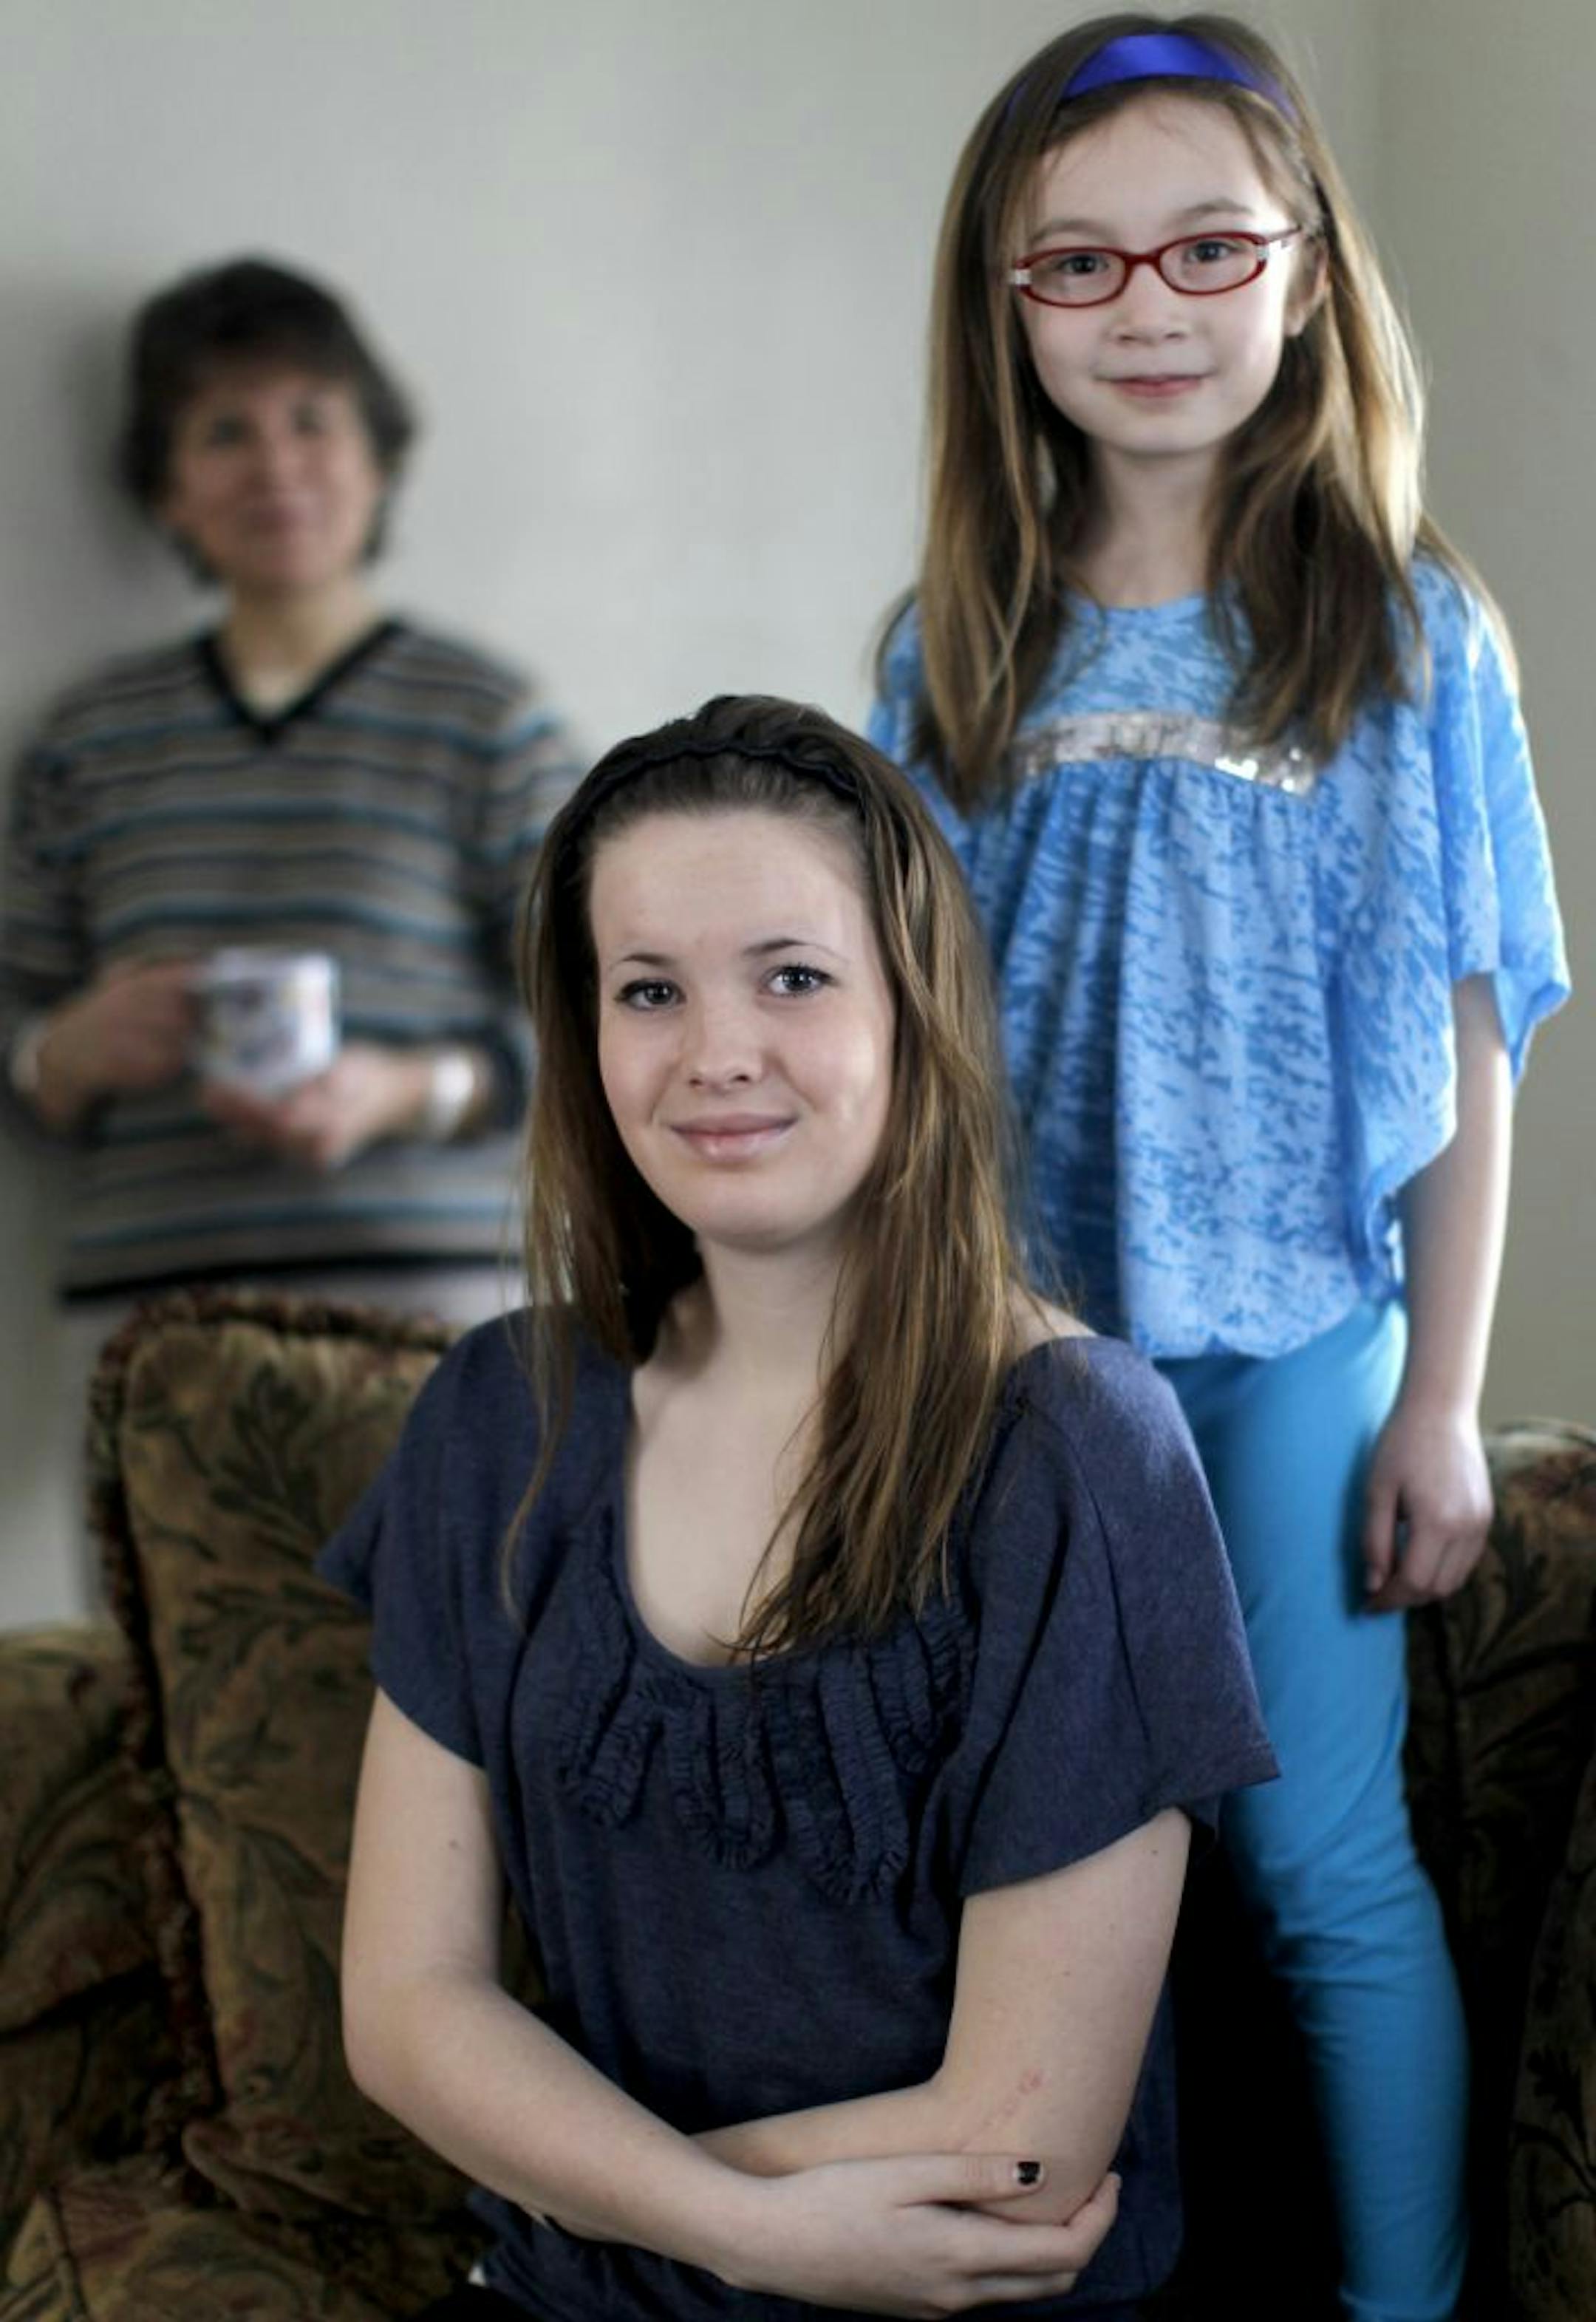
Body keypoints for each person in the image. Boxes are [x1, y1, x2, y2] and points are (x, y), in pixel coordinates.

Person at [867, 16, 1569, 2321]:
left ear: (1301, 275)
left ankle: (1403, 2304)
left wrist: (1443, 1395)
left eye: (1202, 248)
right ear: (1002, 307)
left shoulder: (1402, 623)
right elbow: (895, 1045)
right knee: (1059, 1861)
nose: (1147, 305)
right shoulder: (948, 646)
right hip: (1031, 1371)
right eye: (1075, 264)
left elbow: (1474, 1043)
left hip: (1302, 1346)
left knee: (1322, 1863)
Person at [317, 693, 1278, 2320]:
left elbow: (1022, 2144)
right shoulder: (500, 1411)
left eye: (792, 975)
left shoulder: (1074, 1447)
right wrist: (724, 2222)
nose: (717, 1054)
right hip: (595, 2282)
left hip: (948, 2295)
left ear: (917, 1009)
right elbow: (408, 1999)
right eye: (648, 990)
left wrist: (590, 2186)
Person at [0, 256, 579, 1592]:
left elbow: (609, 1012)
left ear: (379, 459)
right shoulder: (86, 743)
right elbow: (16, 1042)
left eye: (313, 418)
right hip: (152, 1340)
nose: (276, 465)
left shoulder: (484, 718)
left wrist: (410, 1090)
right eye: (223, 431)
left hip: (428, 1323)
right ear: (165, 489)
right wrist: (66, 1052)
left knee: (452, 1710)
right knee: (179, 1730)